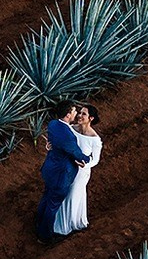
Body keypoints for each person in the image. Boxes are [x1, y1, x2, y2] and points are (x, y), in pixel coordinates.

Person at [34, 103, 102, 240]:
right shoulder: (70, 130)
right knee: (57, 199)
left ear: (91, 118)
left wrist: (85, 163)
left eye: (83, 114)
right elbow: (65, 145)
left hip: (80, 173)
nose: (79, 115)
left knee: (72, 197)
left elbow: (95, 160)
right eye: (78, 112)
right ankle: (50, 229)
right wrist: (51, 146)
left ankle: (65, 226)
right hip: (65, 171)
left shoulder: (95, 140)